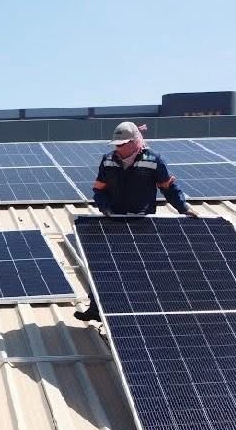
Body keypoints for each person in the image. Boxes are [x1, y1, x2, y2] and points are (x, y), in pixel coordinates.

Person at [74, 121, 199, 322]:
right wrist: (104, 207)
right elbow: (99, 188)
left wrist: (183, 207)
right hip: (113, 221)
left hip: (141, 222)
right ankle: (96, 308)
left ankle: (138, 314)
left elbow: (168, 187)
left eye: (122, 144)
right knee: (103, 266)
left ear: (134, 142)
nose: (118, 148)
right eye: (116, 144)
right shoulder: (108, 161)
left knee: (138, 269)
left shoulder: (153, 160)